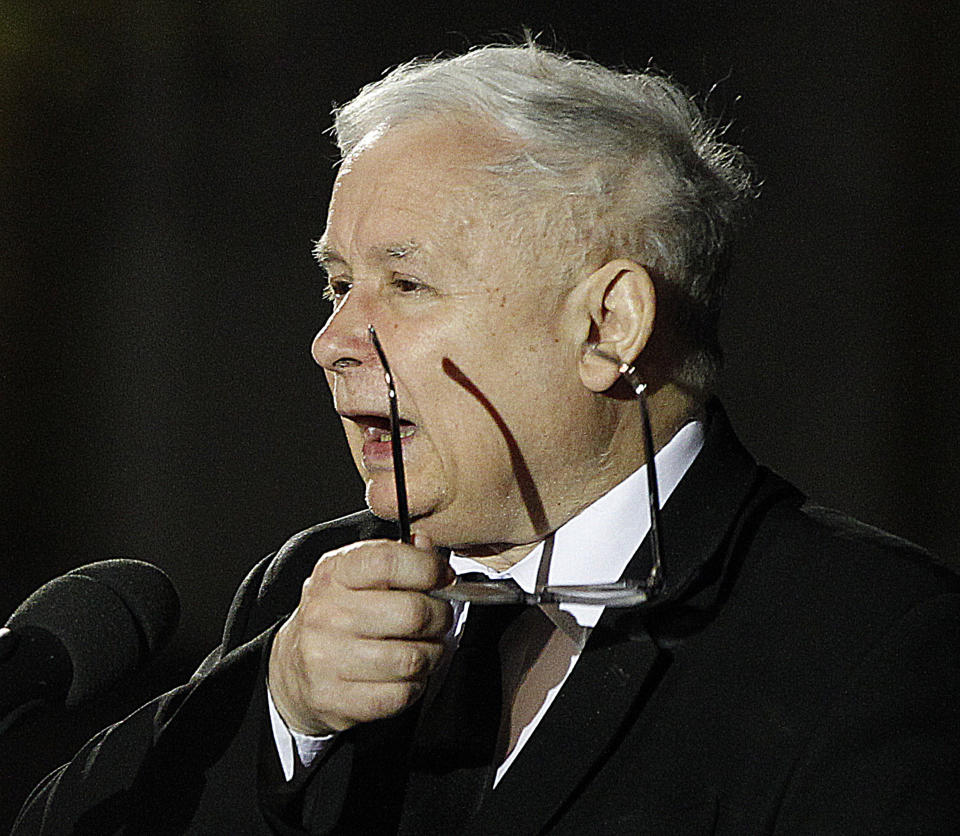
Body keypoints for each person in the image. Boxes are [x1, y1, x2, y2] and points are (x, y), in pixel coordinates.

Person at [14, 42, 960, 835]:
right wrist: (278, 712)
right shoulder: (308, 591)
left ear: (609, 326)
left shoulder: (878, 644)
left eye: (406, 285)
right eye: (338, 284)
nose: (332, 343)